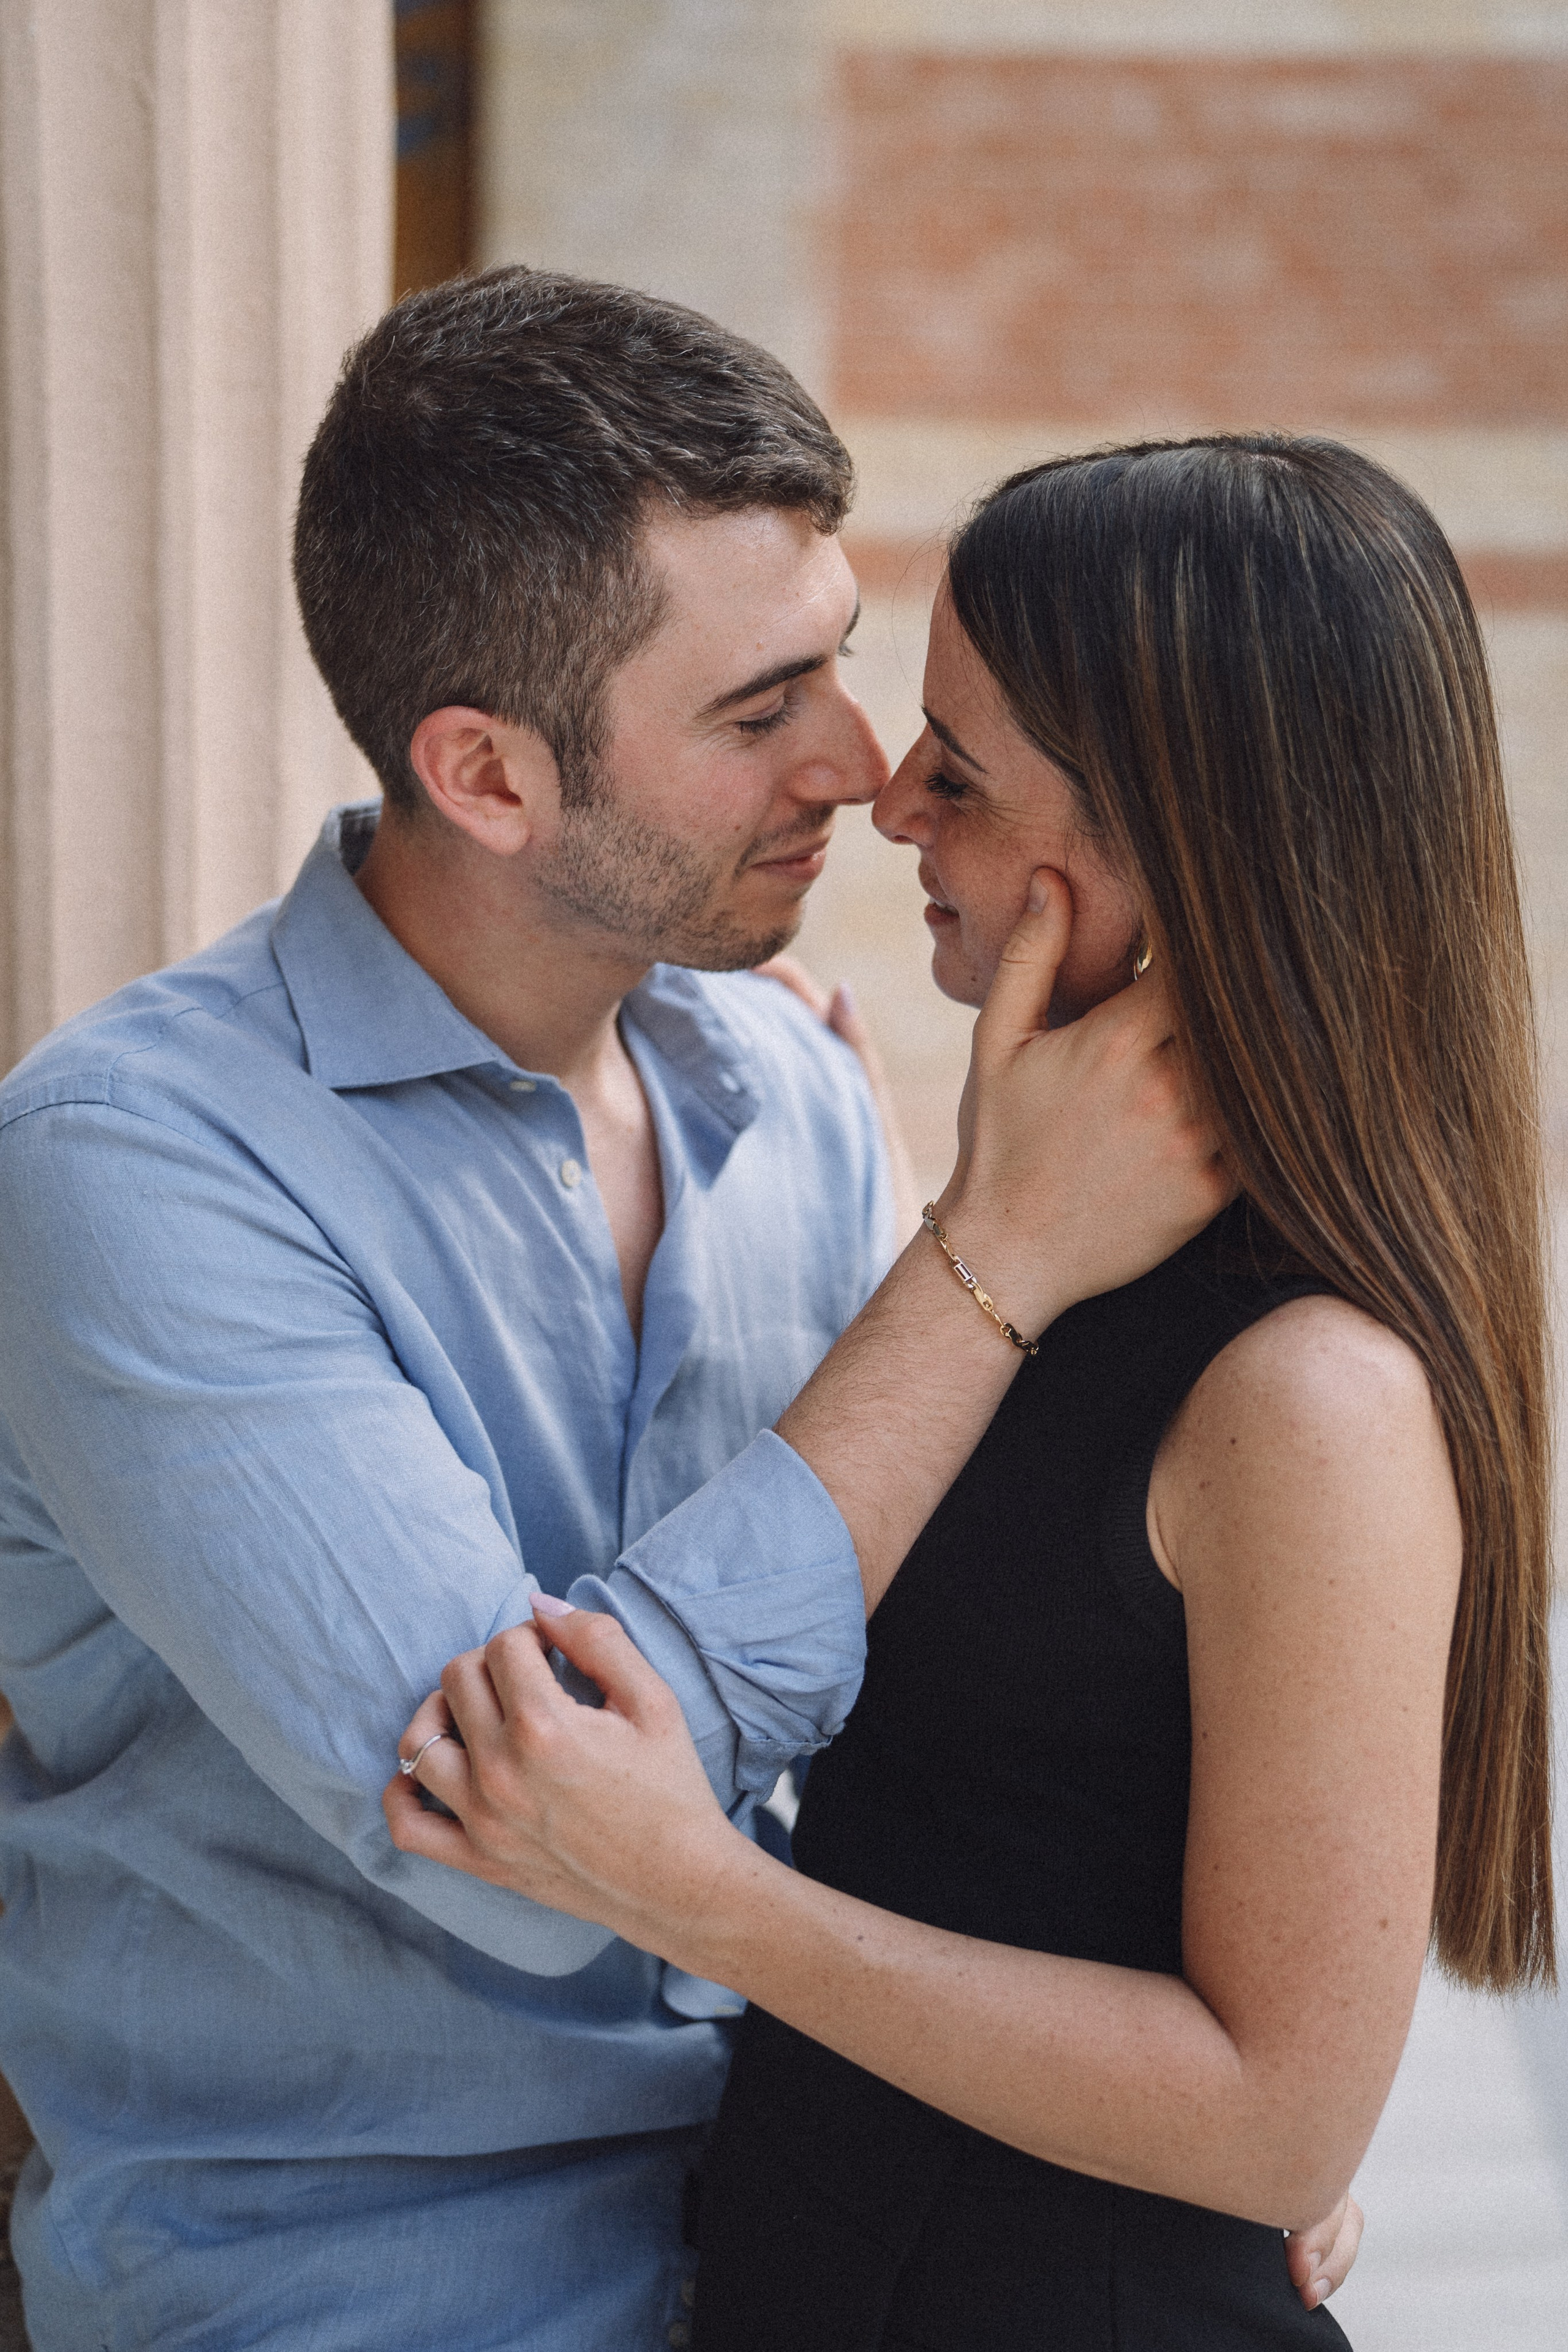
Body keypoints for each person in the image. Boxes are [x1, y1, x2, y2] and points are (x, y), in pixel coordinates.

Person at [0, 270, 1262, 2352]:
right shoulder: (131, 1173)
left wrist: (1208, 2121)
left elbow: (954, 1694)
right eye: (759, 713)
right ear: (488, 776)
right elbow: (515, 1832)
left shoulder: (785, 1089)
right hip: (368, 2293)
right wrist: (996, 1263)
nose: (863, 768)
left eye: (837, 669)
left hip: (844, 2203)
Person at [387, 434, 1555, 2347]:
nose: (893, 802)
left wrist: (703, 1898)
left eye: (966, 767)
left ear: (1182, 841)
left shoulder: (1311, 1391)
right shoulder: (1046, 1251)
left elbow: (1277, 2120)